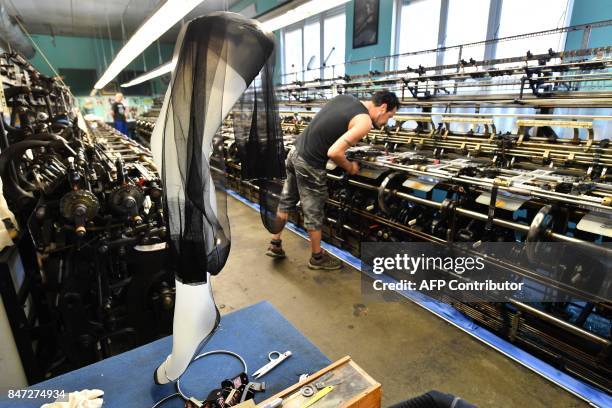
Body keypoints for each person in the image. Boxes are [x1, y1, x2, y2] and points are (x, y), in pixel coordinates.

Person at [267, 90, 399, 269]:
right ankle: (317, 258)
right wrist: (350, 166)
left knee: (286, 201)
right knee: (313, 211)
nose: (387, 122)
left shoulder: (346, 98)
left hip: (295, 152)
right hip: (310, 163)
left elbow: (327, 127)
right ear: (383, 107)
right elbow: (334, 152)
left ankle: (275, 244)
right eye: (390, 116)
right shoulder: (364, 122)